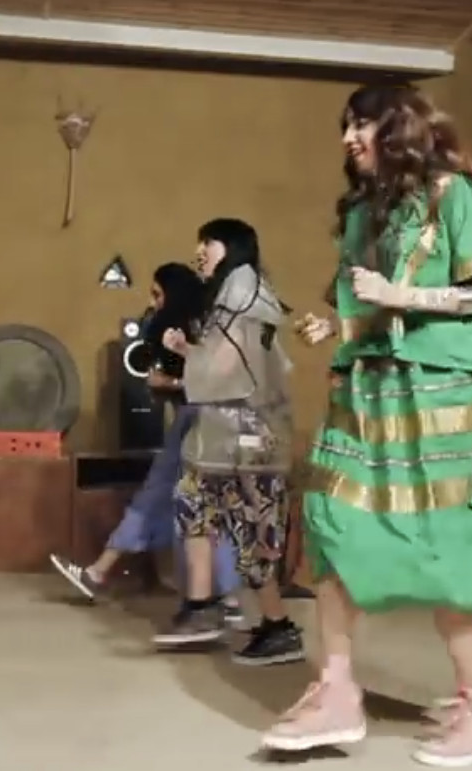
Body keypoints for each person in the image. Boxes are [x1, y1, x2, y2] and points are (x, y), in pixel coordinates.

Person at [261, 84, 472, 768]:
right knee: (329, 510)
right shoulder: (364, 212)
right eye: (345, 126)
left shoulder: (457, 196)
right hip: (368, 378)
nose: (347, 138)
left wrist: (403, 295)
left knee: (437, 528)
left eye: (361, 123)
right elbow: (369, 309)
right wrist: (338, 324)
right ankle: (335, 690)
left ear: (400, 126)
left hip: (443, 379)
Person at [48, 262, 243, 623]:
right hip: (204, 423)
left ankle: (100, 573)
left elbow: (208, 377)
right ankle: (227, 597)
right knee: (199, 506)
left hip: (199, 423)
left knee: (168, 500)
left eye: (157, 294)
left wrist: (171, 381)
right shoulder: (195, 324)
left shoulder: (191, 328)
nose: (152, 302)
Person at [149, 219, 304, 666]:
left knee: (252, 532)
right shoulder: (233, 296)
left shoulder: (245, 296)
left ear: (233, 247)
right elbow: (228, 361)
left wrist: (181, 368)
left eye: (208, 242)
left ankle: (276, 626)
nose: (200, 251)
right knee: (193, 501)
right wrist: (187, 352)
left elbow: (230, 369)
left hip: (251, 436)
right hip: (227, 433)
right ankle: (203, 607)